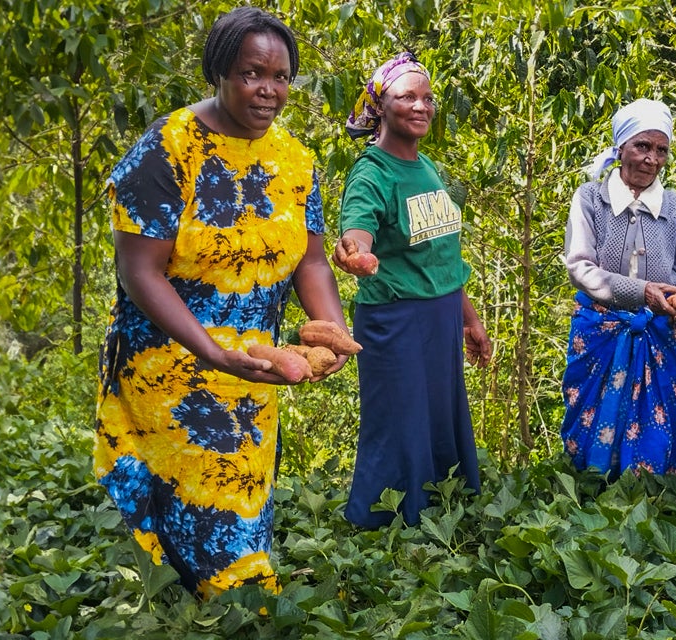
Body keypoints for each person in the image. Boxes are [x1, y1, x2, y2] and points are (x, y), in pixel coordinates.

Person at [91, 7, 348, 596]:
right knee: (206, 497)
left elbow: (309, 260)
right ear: (219, 72)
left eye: (281, 77)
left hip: (256, 362)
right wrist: (209, 351)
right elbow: (139, 271)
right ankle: (242, 607)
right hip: (172, 359)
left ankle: (206, 603)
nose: (269, 90)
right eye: (252, 73)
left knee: (246, 491)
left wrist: (330, 328)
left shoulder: (295, 160)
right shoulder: (167, 149)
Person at [332, 52, 493, 528]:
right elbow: (356, 229)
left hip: (440, 317)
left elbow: (443, 256)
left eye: (427, 97)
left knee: (440, 417)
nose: (421, 106)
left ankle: (438, 515)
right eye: (407, 96)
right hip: (396, 320)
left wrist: (471, 320)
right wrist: (353, 251)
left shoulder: (428, 169)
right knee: (399, 424)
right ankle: (381, 525)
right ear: (380, 106)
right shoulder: (372, 172)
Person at [557, 99, 676, 478]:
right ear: (620, 148)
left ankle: (652, 493)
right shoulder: (590, 199)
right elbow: (580, 266)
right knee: (589, 411)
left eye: (661, 150)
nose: (651, 159)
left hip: (661, 331)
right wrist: (642, 294)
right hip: (600, 327)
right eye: (642, 146)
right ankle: (589, 489)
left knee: (659, 420)